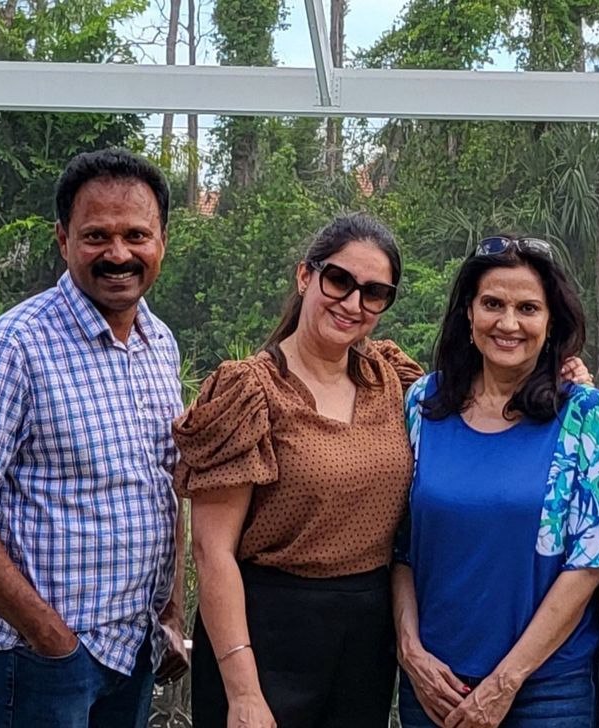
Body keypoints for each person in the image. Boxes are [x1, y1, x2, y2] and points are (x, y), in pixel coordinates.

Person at [0, 148, 189, 728]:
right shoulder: (14, 345)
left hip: (132, 651)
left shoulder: (158, 343)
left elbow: (165, 486)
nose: (119, 254)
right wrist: (50, 637)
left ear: (162, 241)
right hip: (41, 661)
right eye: (96, 236)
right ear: (63, 240)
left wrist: (170, 612)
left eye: (136, 235)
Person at [174, 213, 423, 728]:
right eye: (339, 280)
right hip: (266, 632)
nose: (352, 303)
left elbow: (480, 404)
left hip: (365, 640)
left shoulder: (391, 381)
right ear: (306, 275)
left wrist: (558, 377)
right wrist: (243, 691)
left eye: (374, 292)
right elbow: (212, 552)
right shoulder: (250, 391)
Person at [394, 235, 599, 728]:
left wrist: (505, 681)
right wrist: (409, 650)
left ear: (551, 321)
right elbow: (402, 546)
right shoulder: (423, 403)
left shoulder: (587, 416)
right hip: (435, 687)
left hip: (546, 692)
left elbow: (588, 563)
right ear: (468, 313)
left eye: (528, 308)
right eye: (492, 304)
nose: (508, 323)